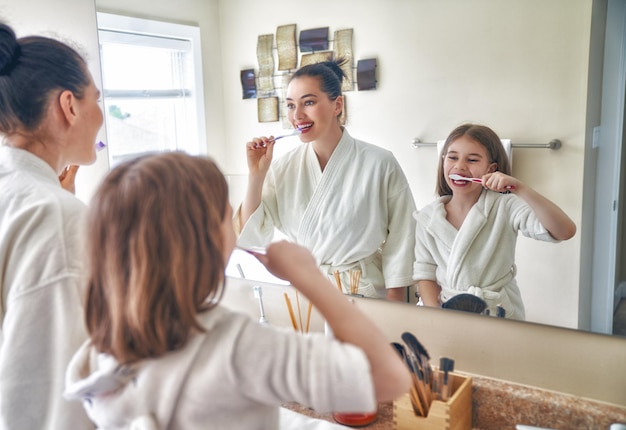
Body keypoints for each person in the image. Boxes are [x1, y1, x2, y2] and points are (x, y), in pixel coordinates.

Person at [63, 152, 411, 429]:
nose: (233, 217)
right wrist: (312, 280)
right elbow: (389, 378)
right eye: (224, 212)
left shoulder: (102, 349)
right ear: (208, 242)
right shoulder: (239, 348)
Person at [236, 59, 416, 301]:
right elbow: (253, 237)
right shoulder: (282, 169)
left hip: (365, 294)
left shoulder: (379, 163)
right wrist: (256, 177)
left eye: (308, 102)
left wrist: (397, 307)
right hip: (308, 295)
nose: (297, 115)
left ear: (337, 105)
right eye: (290, 105)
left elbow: (403, 238)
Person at [0, 23, 102, 429]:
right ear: (69, 106)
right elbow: (50, 403)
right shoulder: (53, 215)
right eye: (97, 99)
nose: (101, 117)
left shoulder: (27, 197)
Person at [413, 123, 576, 320]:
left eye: (472, 160)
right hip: (449, 312)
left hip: (499, 311)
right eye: (452, 157)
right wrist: (437, 316)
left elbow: (565, 231)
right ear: (443, 161)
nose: (460, 166)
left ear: (491, 169)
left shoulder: (505, 206)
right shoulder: (427, 218)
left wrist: (520, 188)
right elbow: (425, 272)